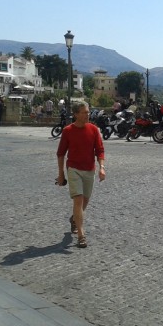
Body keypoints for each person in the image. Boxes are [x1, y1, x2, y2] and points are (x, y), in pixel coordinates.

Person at [56, 100, 106, 248]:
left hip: (89, 169)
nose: (88, 115)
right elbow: (60, 154)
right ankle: (81, 234)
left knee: (84, 202)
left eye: (88, 112)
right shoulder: (68, 131)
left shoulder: (94, 130)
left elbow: (100, 150)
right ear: (76, 114)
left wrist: (102, 167)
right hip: (74, 169)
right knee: (78, 201)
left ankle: (74, 219)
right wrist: (61, 174)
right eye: (84, 113)